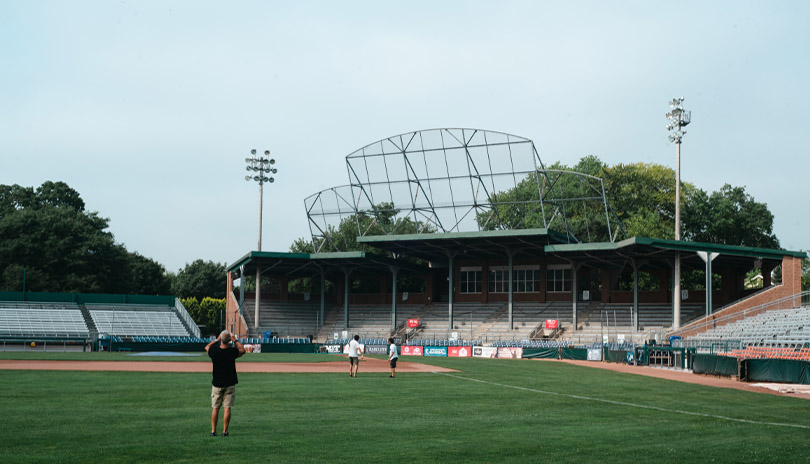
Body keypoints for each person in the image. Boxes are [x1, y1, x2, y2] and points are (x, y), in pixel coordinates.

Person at [205, 330, 245, 436]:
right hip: (229, 383)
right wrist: (235, 340)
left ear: (221, 340)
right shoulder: (232, 351)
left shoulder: (214, 351)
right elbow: (242, 350)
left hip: (217, 383)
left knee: (215, 407)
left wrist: (216, 340)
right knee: (227, 408)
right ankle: (225, 431)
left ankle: (213, 431)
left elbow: (206, 347)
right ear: (229, 341)